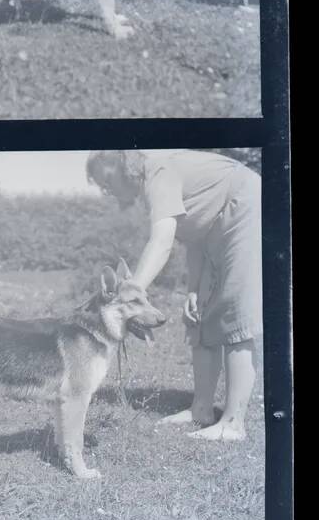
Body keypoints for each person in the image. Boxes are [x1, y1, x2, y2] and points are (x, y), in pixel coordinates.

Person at [86, 149, 262, 441]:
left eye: (105, 179)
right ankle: (201, 410)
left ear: (122, 163)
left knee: (235, 311)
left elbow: (162, 242)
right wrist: (194, 289)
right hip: (212, 233)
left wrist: (132, 292)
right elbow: (193, 236)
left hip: (245, 208)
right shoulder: (152, 185)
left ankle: (233, 423)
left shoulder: (158, 172)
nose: (106, 190)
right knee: (198, 315)